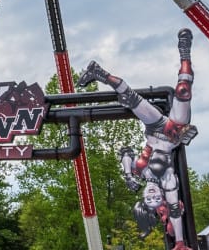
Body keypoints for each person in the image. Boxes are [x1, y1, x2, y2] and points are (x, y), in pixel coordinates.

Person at [77, 28, 197, 250]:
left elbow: (125, 152)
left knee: (130, 98)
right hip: (172, 133)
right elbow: (174, 211)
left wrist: (127, 175)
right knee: (182, 91)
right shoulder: (168, 182)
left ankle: (99, 72)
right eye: (157, 205)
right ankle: (185, 52)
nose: (153, 200)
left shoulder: (140, 173)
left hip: (153, 129)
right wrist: (179, 242)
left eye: (149, 203)